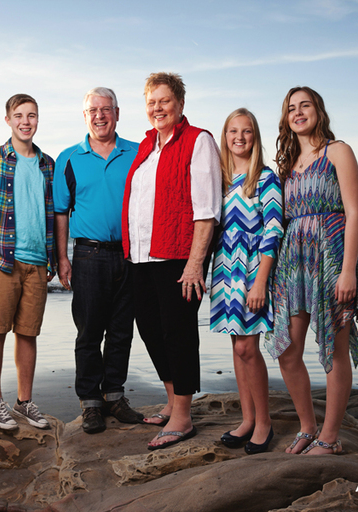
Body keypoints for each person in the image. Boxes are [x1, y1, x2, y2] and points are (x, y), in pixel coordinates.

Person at [268, 86, 358, 454]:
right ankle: (307, 426)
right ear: (286, 118)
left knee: (334, 350)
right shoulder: (287, 165)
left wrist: (347, 271)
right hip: (293, 262)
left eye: (305, 106)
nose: (298, 113)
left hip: (331, 258)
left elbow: (355, 212)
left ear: (319, 111)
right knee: (288, 351)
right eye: (291, 108)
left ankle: (330, 438)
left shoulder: (338, 151)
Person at [121, 72, 221, 450]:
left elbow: (207, 210)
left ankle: (183, 416)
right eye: (151, 102)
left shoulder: (199, 141)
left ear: (180, 104)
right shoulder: (147, 146)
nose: (157, 108)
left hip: (178, 256)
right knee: (149, 328)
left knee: (177, 332)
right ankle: (172, 399)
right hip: (142, 256)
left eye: (164, 101)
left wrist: (195, 264)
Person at [54, 87, 143, 434]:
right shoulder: (69, 158)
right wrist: (63, 258)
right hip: (88, 254)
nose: (100, 115)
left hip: (130, 254)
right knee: (89, 331)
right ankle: (91, 402)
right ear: (85, 115)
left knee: (122, 330)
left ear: (117, 114)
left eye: (106, 109)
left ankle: (115, 395)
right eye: (93, 110)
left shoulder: (136, 153)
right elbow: (62, 212)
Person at [0, 94, 55, 431]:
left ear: (37, 119)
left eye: (31, 115)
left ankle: (24, 401)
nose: (25, 121)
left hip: (37, 262)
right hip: (2, 260)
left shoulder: (47, 164)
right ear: (8, 120)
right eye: (19, 115)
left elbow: (53, 214)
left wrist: (51, 258)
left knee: (28, 333)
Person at [209, 108, 283, 454]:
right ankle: (247, 419)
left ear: (255, 137)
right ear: (225, 137)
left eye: (247, 131)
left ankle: (264, 422)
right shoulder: (219, 179)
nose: (239, 137)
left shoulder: (266, 178)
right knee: (236, 348)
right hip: (225, 269)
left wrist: (261, 282)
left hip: (253, 268)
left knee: (248, 347)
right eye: (232, 131)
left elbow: (274, 229)